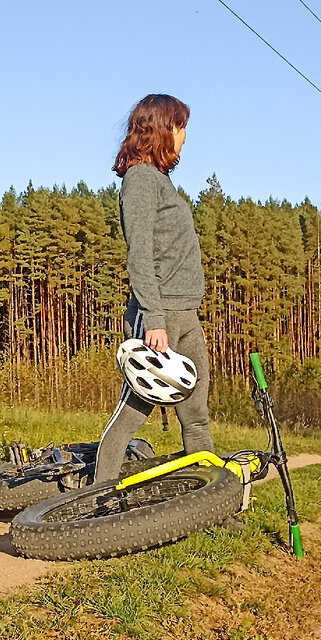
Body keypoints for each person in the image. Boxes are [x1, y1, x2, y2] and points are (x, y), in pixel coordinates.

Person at [94, 94, 214, 482]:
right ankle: (96, 498)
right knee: (133, 412)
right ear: (162, 129)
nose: (185, 138)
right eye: (181, 128)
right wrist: (154, 320)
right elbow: (139, 256)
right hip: (157, 318)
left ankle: (209, 499)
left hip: (185, 315)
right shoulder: (141, 180)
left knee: (196, 416)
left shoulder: (160, 181)